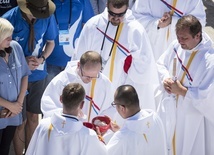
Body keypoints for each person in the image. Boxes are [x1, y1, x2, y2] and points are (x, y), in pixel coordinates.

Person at [73, 0, 159, 111]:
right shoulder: (94, 25)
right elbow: (79, 56)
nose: (115, 18)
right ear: (106, 6)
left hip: (119, 87)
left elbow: (144, 68)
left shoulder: (135, 30)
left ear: (127, 9)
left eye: (120, 15)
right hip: (91, 84)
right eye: (112, 14)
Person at [2, 0, 58, 153]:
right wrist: (22, 61)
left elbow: (51, 42)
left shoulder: (46, 15)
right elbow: (3, 47)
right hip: (16, 78)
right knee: (19, 120)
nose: (39, 16)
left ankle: (32, 151)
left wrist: (42, 59)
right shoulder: (9, 19)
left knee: (34, 117)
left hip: (38, 74)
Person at [156, 15, 214, 155]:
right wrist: (166, 78)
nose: (180, 42)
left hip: (192, 119)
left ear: (197, 35)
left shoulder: (210, 61)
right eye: (178, 37)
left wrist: (182, 91)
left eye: (184, 38)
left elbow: (209, 98)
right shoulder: (177, 44)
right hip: (170, 110)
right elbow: (161, 63)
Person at [26, 83, 107, 155]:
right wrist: (100, 139)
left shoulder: (43, 125)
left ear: (61, 99)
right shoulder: (88, 135)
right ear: (82, 105)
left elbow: (31, 151)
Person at [42, 51, 114, 122]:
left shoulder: (104, 82)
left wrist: (101, 121)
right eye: (87, 76)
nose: (90, 80)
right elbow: (48, 105)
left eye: (94, 77)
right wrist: (69, 113)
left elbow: (111, 107)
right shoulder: (62, 80)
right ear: (79, 65)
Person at [132, 0, 206, 61]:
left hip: (178, 52)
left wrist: (172, 21)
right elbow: (136, 18)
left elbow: (199, 24)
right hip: (151, 49)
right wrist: (157, 24)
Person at [106, 85, 167, 155]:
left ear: (122, 108)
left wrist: (99, 139)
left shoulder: (122, 137)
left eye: (115, 104)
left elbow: (104, 153)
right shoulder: (155, 117)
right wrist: (121, 130)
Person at [0, 18, 31, 155]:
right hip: (5, 110)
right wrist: (10, 105)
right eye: (7, 36)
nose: (10, 39)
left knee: (5, 147)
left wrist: (18, 104)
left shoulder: (15, 47)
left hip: (14, 112)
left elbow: (25, 74)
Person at [45, 0, 94, 85]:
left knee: (73, 96)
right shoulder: (46, 2)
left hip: (74, 62)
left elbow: (89, 28)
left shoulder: (82, 1)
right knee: (52, 96)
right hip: (50, 61)